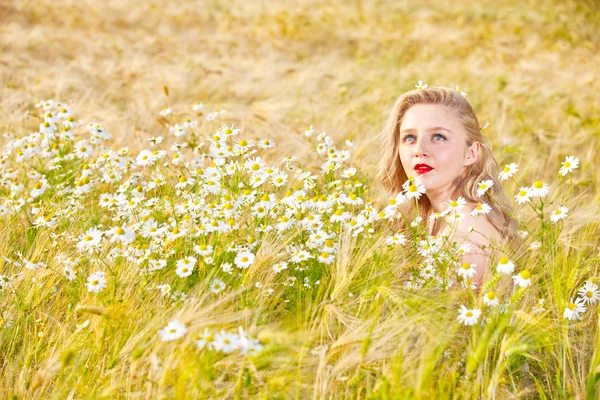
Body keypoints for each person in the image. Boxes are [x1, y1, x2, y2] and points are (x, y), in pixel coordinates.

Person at [376, 85, 519, 289]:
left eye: (438, 137)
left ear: (471, 153)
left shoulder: (465, 241)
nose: (419, 150)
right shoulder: (436, 218)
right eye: (410, 138)